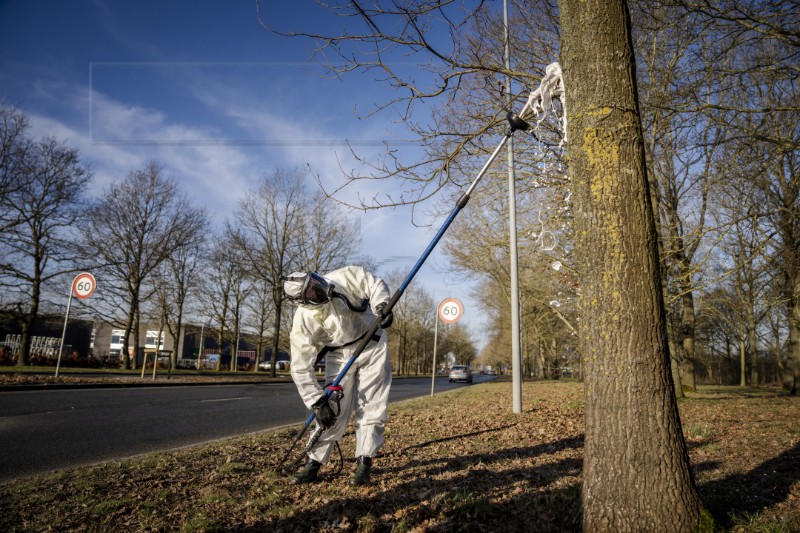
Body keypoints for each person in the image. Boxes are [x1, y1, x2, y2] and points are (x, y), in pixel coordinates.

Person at [283, 266, 394, 486]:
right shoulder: (303, 321)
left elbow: (373, 283)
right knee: (332, 410)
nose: (318, 290)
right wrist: (316, 401)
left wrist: (383, 306)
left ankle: (364, 461)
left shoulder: (344, 277)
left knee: (371, 404)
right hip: (339, 354)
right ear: (303, 301)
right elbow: (300, 366)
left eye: (315, 283)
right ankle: (313, 463)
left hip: (372, 343)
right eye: (312, 292)